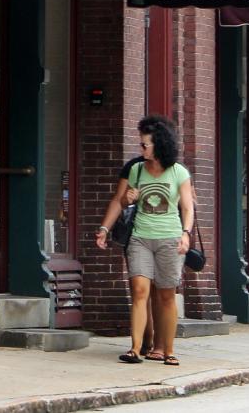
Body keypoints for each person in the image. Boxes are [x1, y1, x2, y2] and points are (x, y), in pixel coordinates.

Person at [96, 117, 193, 367]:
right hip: (140, 237)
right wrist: (124, 205)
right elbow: (122, 202)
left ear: (158, 145)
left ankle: (167, 350)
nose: (141, 149)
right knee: (140, 291)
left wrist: (185, 233)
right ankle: (135, 348)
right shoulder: (136, 170)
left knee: (166, 295)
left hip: (169, 239)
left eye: (145, 145)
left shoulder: (179, 172)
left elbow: (187, 207)